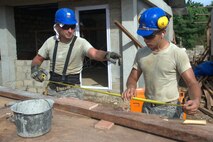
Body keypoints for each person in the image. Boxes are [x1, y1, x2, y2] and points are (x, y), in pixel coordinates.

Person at [122, 7, 201, 119]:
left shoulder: (176, 53)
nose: (145, 40)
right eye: (144, 36)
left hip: (171, 109)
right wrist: (130, 87)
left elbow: (192, 83)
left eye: (150, 36)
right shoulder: (141, 53)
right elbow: (133, 79)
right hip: (147, 107)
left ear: (163, 32)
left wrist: (196, 100)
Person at [31, 8, 121, 99]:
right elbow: (38, 59)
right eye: (65, 27)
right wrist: (34, 69)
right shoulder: (50, 42)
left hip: (72, 90)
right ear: (57, 26)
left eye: (72, 26)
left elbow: (94, 53)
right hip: (52, 88)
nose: (70, 30)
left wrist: (106, 55)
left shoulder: (81, 43)